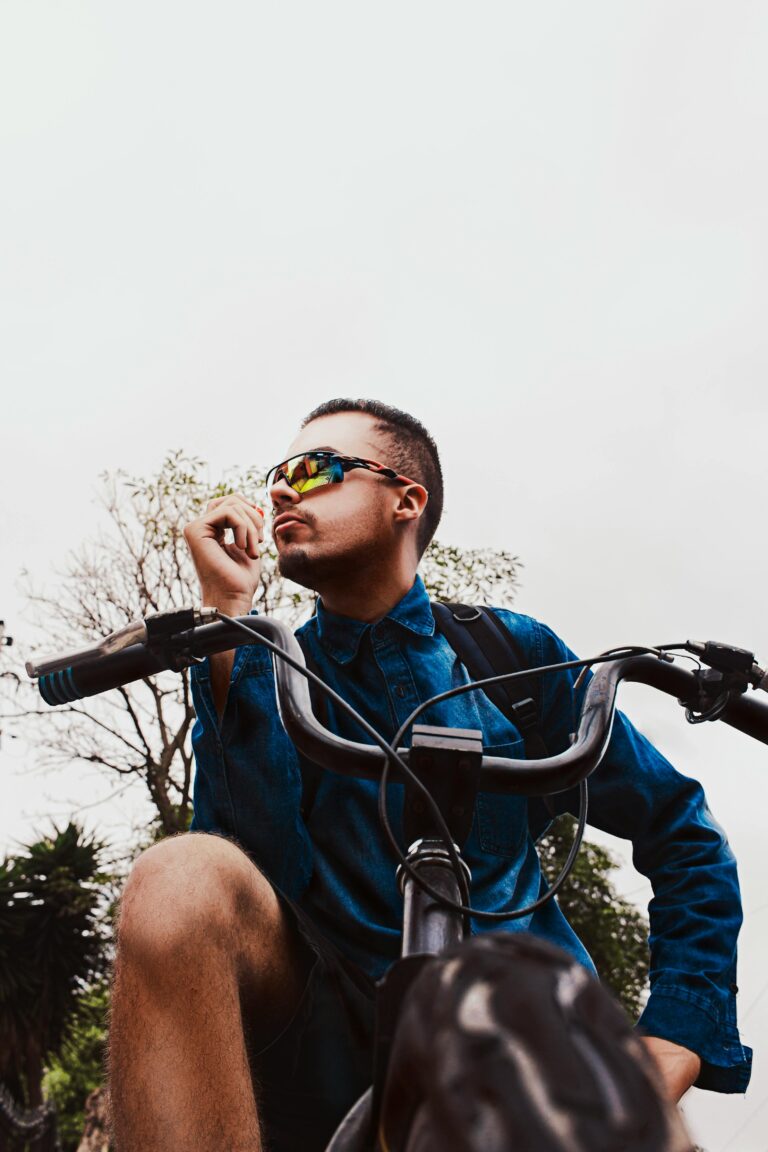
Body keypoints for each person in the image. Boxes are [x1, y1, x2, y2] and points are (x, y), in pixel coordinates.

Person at [108, 398, 751, 1152]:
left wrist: (679, 1032)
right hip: (322, 1036)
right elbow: (255, 866)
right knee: (178, 876)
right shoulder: (270, 669)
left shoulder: (511, 657)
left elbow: (683, 835)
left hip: (521, 1035)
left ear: (405, 499)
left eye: (314, 470)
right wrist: (227, 614)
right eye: (277, 476)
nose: (282, 490)